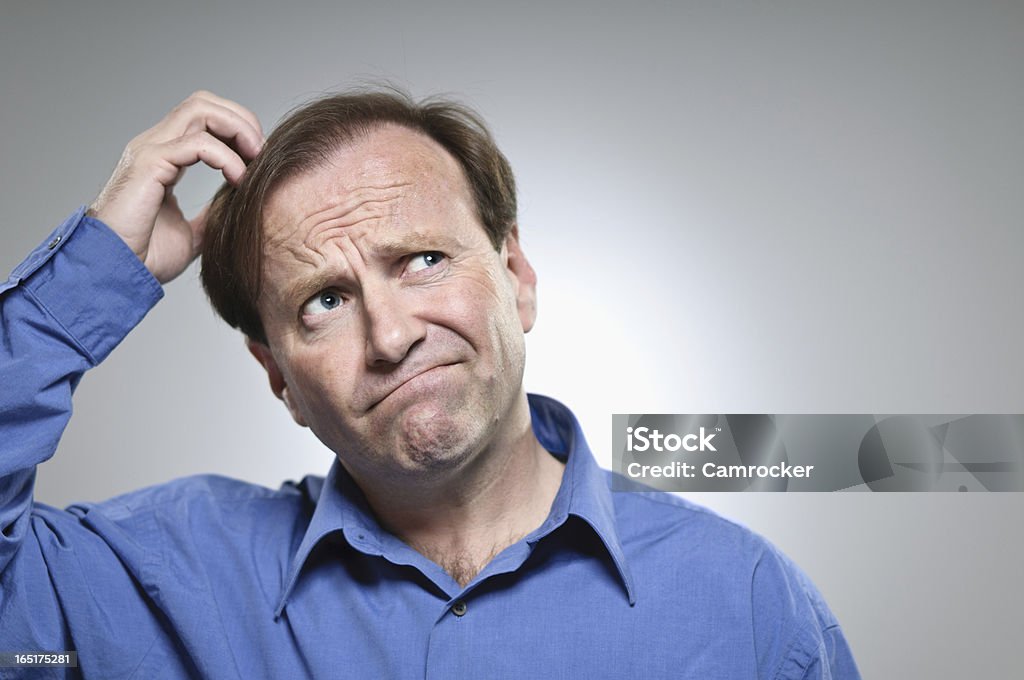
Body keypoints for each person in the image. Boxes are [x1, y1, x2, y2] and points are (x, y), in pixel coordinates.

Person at [0, 89, 860, 678]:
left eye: (423, 260)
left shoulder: (744, 602)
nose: (392, 334)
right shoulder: (163, 582)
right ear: (279, 382)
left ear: (516, 274)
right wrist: (90, 279)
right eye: (325, 301)